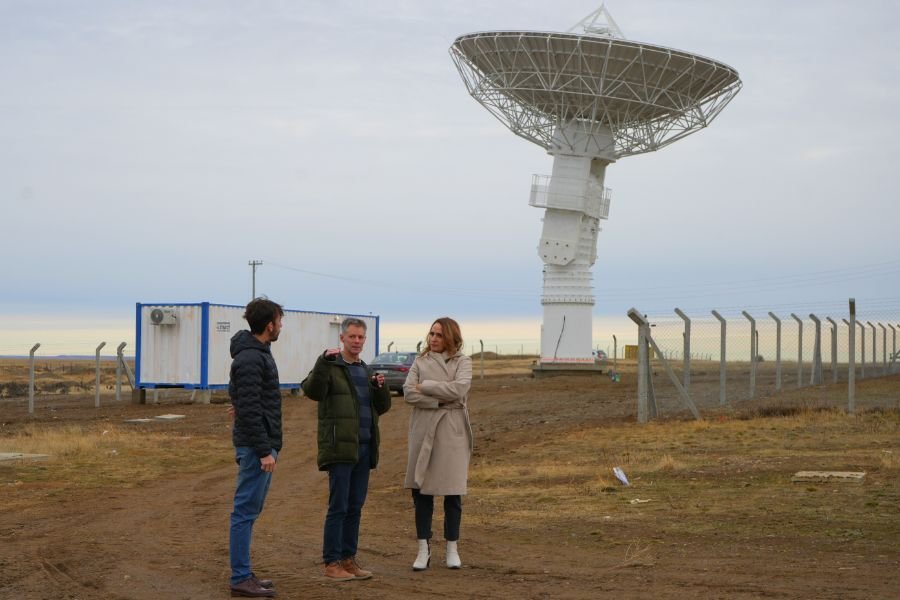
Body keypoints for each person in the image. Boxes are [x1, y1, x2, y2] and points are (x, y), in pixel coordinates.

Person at [301, 317, 392, 582]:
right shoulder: (330, 366)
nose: (357, 341)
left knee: (355, 507)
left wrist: (380, 388)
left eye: (361, 337)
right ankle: (332, 563)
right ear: (342, 338)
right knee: (338, 507)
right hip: (340, 449)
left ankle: (348, 560)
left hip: (363, 448)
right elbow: (312, 391)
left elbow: (382, 408)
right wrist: (322, 361)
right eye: (352, 337)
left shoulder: (365, 370)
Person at [402, 317, 473, 571]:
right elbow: (409, 393)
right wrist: (438, 401)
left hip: (452, 432)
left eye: (439, 335)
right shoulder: (420, 361)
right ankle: (423, 549)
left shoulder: (463, 362)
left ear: (451, 337)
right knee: (421, 491)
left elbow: (460, 390)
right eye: (431, 333)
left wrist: (428, 386)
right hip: (423, 430)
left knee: (453, 492)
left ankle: (452, 548)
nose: (433, 339)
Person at [228, 298, 285, 598]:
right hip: (255, 447)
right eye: (279, 320)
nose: (281, 326)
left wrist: (236, 402)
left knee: (249, 510)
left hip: (259, 444)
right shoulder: (252, 357)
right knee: (244, 512)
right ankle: (240, 577)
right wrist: (264, 450)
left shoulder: (257, 353)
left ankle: (244, 573)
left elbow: (240, 394)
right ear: (269, 325)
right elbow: (250, 409)